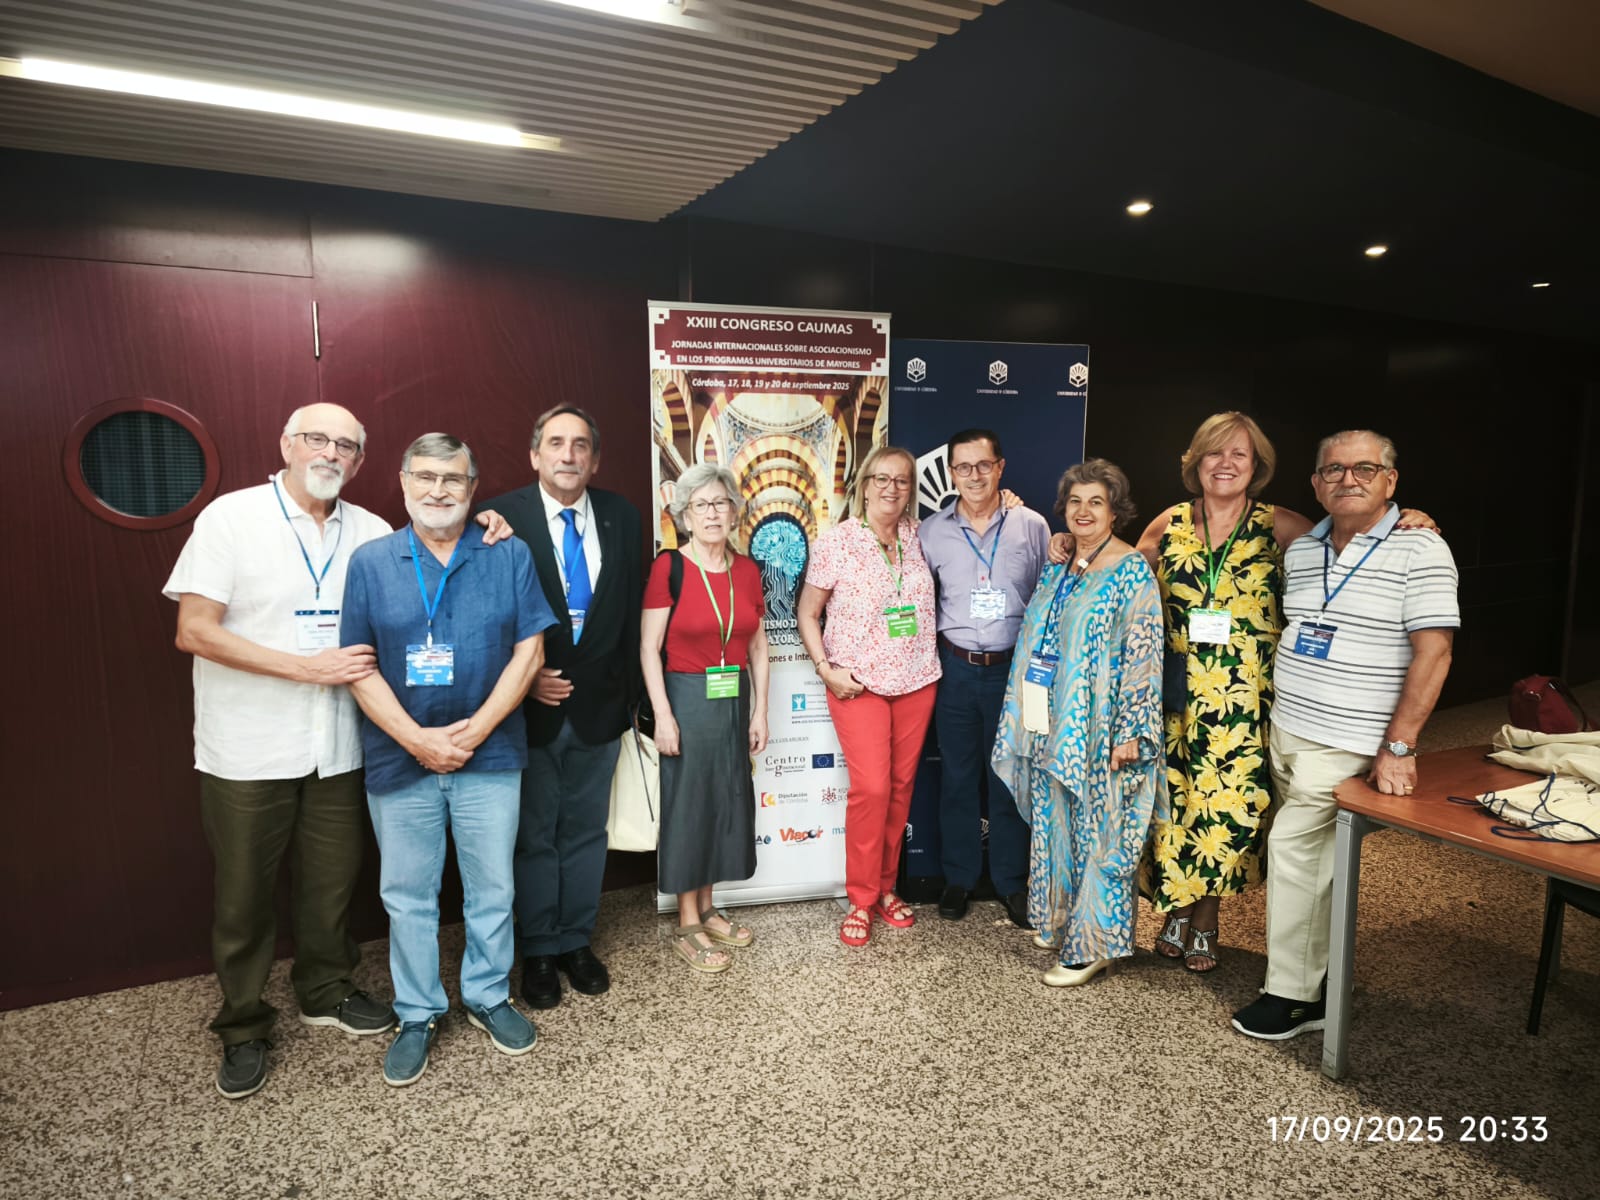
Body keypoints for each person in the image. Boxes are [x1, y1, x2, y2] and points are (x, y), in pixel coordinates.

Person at [164, 403, 511, 1099]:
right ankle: (243, 1023)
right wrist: (306, 668)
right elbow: (193, 631)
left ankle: (324, 990)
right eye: (317, 439)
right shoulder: (232, 518)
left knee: (331, 884)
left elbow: (439, 543)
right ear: (286, 444)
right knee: (244, 895)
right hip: (250, 746)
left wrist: (487, 523)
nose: (330, 453)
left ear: (360, 461)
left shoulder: (371, 530)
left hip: (342, 744)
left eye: (346, 445)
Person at [1048, 413, 1433, 973]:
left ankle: (1206, 916)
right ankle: (1175, 910)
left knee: (1227, 815)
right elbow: (1118, 564)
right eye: (1214, 453)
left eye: (1239, 455)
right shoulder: (1170, 523)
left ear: (1257, 466)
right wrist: (1073, 540)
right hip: (1173, 699)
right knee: (1172, 809)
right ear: (1195, 462)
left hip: (1244, 703)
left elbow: (1351, 540)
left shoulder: (1281, 526)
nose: (1225, 464)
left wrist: (1403, 520)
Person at [342, 433, 556, 1085]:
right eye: (426, 477)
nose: (439, 490)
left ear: (472, 488)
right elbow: (357, 666)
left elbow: (530, 652)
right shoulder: (371, 562)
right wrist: (418, 740)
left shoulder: (506, 552)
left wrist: (473, 734)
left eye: (453, 479)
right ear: (404, 483)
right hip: (399, 758)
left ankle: (488, 995)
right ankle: (417, 1012)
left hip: (490, 757)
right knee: (407, 895)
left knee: (493, 887)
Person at [1231, 430, 1456, 1040]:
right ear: (1315, 483)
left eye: (1364, 468)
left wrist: (1400, 746)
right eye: (1332, 470)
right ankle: (1323, 975)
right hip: (1288, 730)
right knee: (1316, 864)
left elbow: (1434, 653)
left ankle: (1294, 998)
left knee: (1297, 854)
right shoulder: (1304, 548)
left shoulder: (1421, 548)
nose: (1347, 479)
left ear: (1390, 480)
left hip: (1349, 739)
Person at [481, 406, 644, 1009]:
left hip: (600, 711)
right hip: (528, 713)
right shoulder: (500, 519)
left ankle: (576, 941)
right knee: (534, 838)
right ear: (535, 455)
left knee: (585, 834)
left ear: (594, 460)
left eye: (580, 445)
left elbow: (629, 614)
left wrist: (632, 700)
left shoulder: (623, 516)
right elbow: (480, 617)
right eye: (555, 443)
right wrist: (523, 683)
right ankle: (539, 951)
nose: (568, 455)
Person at [992, 460, 1166, 987]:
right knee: (1057, 824)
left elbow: (1144, 653)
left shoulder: (1131, 570)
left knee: (1102, 831)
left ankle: (1095, 946)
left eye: (1096, 502)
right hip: (1052, 723)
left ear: (1115, 511)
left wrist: (1132, 732)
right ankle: (1064, 920)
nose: (1083, 511)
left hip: (1102, 726)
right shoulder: (1062, 563)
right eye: (1075, 502)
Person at [797, 445, 941, 947]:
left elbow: (973, 525)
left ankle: (884, 888)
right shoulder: (836, 542)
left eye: (901, 480)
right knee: (873, 790)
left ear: (911, 489)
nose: (891, 488)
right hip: (857, 684)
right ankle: (859, 898)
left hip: (918, 680)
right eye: (881, 478)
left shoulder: (921, 536)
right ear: (863, 485)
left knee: (900, 790)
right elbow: (807, 614)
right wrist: (825, 669)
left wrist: (1008, 502)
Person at [916, 429, 1050, 925]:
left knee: (1009, 776)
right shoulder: (931, 532)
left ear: (1000, 467)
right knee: (956, 776)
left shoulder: (1031, 526)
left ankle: (1012, 882)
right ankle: (959, 878)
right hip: (954, 669)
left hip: (1013, 671)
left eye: (983, 465)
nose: (973, 476)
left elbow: (1048, 594)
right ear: (951, 472)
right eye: (963, 467)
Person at [640, 464, 770, 972]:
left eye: (720, 503)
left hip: (733, 696)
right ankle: (687, 921)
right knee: (689, 806)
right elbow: (649, 648)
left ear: (734, 511)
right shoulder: (669, 566)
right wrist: (663, 716)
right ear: (685, 515)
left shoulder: (747, 571)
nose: (712, 513)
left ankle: (710, 906)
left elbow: (757, 646)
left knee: (723, 801)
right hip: (686, 698)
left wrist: (760, 710)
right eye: (701, 505)